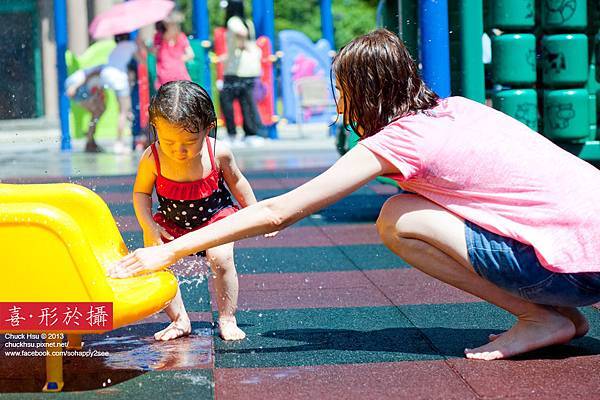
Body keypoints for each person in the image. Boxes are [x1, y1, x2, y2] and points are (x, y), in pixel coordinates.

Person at [110, 30, 600, 360]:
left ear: (364, 93)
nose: (337, 101)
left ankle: (538, 316)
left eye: (340, 88)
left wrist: (169, 249)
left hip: (573, 270)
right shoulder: (457, 110)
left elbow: (283, 211)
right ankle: (552, 314)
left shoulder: (394, 141)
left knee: (398, 219)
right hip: (586, 251)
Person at [130, 80, 275, 341]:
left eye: (189, 140)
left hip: (215, 217)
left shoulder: (218, 152)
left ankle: (227, 317)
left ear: (208, 128)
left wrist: (256, 213)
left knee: (220, 259)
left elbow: (238, 182)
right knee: (157, 259)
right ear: (155, 129)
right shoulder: (152, 158)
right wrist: (149, 226)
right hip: (172, 222)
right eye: (168, 141)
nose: (179, 150)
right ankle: (179, 319)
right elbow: (141, 194)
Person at [218, 0, 264, 147]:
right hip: (250, 68)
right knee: (246, 101)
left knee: (226, 100)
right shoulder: (248, 22)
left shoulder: (233, 21)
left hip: (235, 70)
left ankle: (232, 133)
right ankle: (250, 133)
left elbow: (241, 33)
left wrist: (241, 43)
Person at [101, 33, 143, 154]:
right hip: (118, 78)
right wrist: (140, 45)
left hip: (106, 75)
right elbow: (141, 61)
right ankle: (119, 143)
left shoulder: (115, 48)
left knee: (124, 108)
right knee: (123, 111)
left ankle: (128, 121)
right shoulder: (131, 45)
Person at [65, 65, 106, 152]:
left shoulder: (106, 76)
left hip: (82, 87)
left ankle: (90, 139)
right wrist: (74, 87)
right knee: (98, 111)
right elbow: (88, 75)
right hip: (77, 84)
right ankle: (90, 140)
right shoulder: (106, 69)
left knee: (98, 111)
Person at [152, 11, 194, 88]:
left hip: (166, 76)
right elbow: (191, 54)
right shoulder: (180, 37)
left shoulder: (159, 37)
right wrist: (178, 60)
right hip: (178, 75)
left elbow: (154, 53)